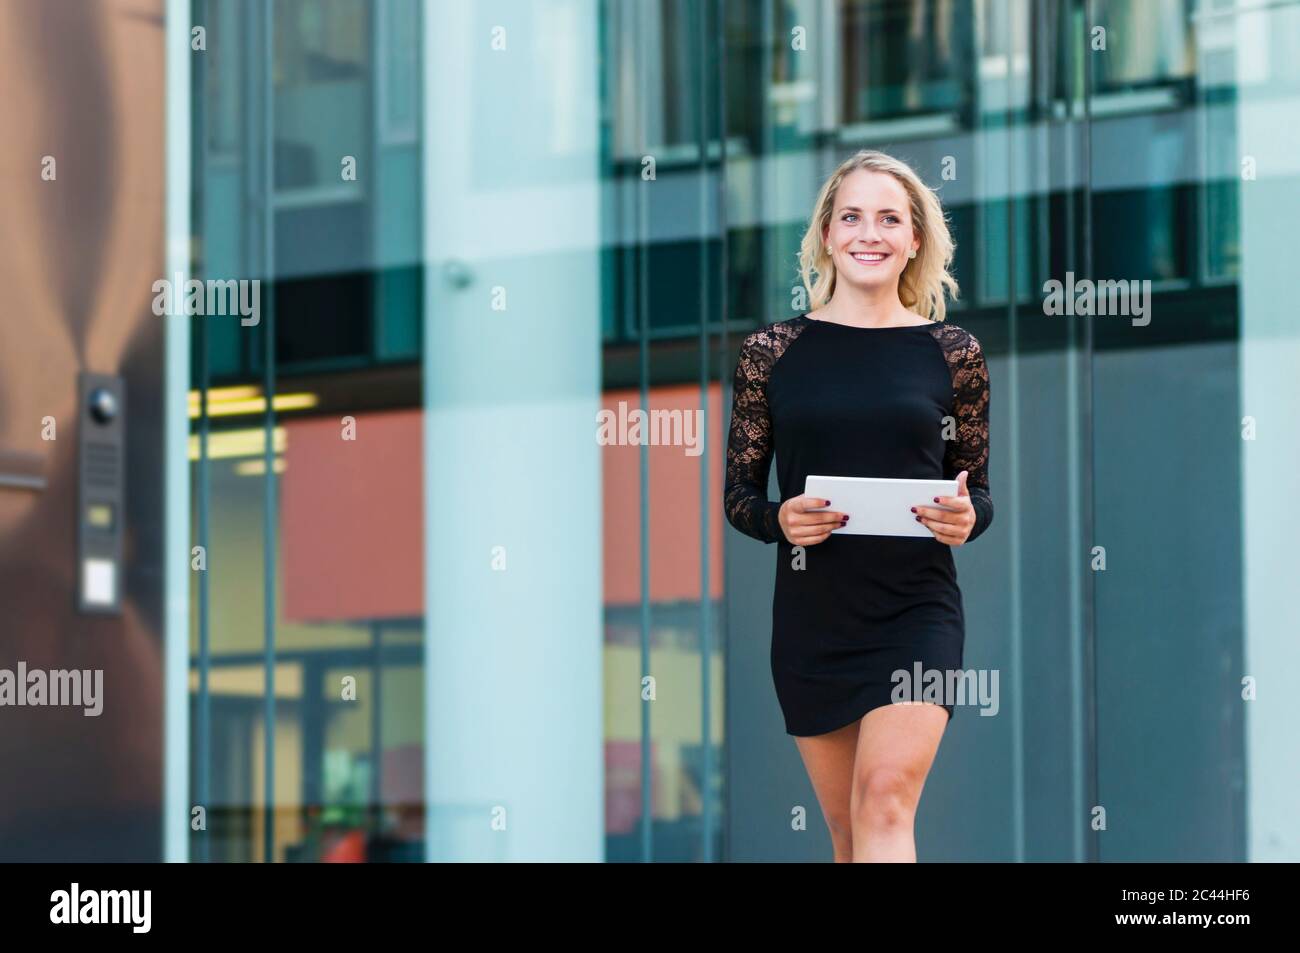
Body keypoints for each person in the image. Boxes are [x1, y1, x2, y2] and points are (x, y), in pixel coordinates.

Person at [723, 149, 992, 862]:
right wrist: (779, 517)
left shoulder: (953, 352)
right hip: (815, 618)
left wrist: (967, 517)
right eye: (851, 216)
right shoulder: (770, 353)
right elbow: (739, 495)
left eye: (888, 218)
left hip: (916, 609)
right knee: (848, 833)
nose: (868, 232)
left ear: (913, 240)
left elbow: (978, 490)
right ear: (826, 234)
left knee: (884, 799)